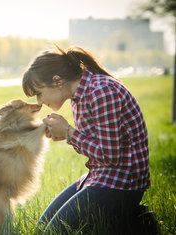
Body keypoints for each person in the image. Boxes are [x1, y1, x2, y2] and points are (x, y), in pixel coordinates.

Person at [22, 44, 152, 234]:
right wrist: (65, 135)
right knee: (43, 227)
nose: (39, 102)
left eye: (39, 93)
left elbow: (111, 156)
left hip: (123, 183)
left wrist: (69, 132)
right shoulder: (78, 96)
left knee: (55, 231)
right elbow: (96, 147)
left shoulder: (101, 92)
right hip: (99, 176)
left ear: (57, 81)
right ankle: (133, 222)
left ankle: (134, 220)